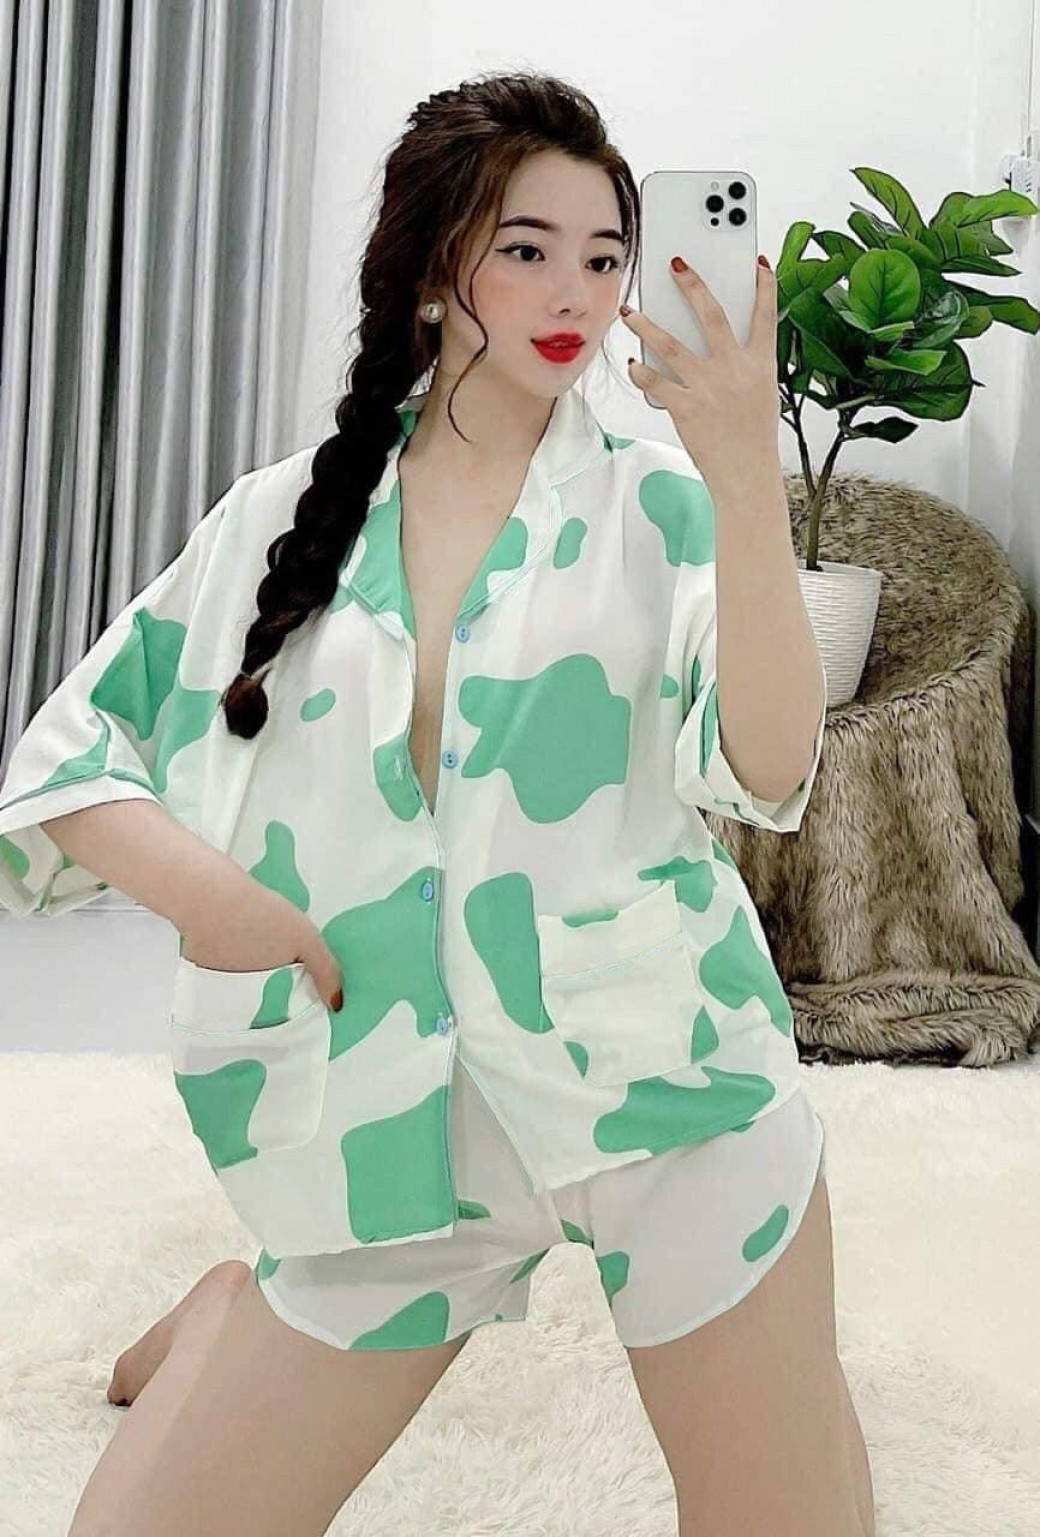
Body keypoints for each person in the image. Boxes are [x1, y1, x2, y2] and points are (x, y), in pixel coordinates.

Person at [0, 68, 875, 1537]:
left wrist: (743, 475)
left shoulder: (659, 504)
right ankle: (234, 1309)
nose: (576, 292)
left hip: (667, 1086)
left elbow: (774, 768)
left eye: (604, 255)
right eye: (526, 247)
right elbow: (65, 759)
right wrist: (228, 904)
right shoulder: (280, 517)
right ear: (430, 265)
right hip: (383, 1128)